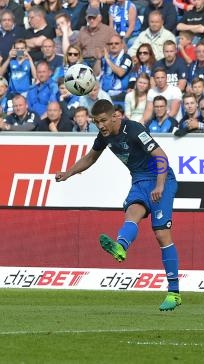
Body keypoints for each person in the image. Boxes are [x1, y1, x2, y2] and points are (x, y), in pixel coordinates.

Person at [55, 99, 181, 311]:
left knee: (161, 235)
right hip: (139, 181)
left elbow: (160, 156)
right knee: (131, 213)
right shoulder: (104, 136)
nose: (100, 125)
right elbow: (91, 157)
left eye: (103, 120)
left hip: (162, 180)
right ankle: (120, 247)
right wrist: (69, 172)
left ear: (116, 116)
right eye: (96, 122)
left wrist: (159, 185)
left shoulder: (133, 129)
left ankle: (174, 293)